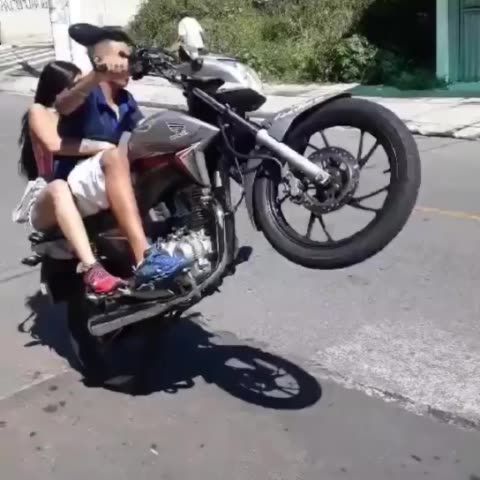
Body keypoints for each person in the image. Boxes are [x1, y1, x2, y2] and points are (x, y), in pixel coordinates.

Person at [54, 24, 187, 289]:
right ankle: (145, 258)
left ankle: (183, 236)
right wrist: (97, 75)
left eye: (130, 56)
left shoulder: (126, 101)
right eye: (122, 56)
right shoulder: (86, 93)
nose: (128, 62)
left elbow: (145, 136)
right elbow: (63, 104)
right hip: (76, 184)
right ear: (99, 59)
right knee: (114, 156)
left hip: (110, 178)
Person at [13, 60, 125, 295]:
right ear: (57, 89)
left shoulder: (84, 113)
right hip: (48, 196)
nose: (83, 90)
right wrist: (103, 146)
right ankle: (91, 268)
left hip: (80, 185)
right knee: (58, 187)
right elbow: (54, 145)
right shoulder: (39, 111)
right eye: (75, 85)